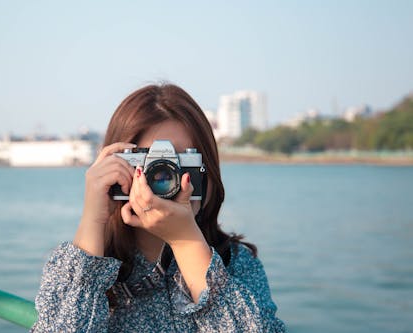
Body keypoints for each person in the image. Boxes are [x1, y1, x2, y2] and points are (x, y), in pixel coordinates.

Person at [30, 83, 286, 332]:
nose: (167, 176)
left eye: (182, 160)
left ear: (206, 169)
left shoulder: (237, 263)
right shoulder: (76, 268)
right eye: (153, 163)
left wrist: (186, 241)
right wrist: (92, 220)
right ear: (120, 167)